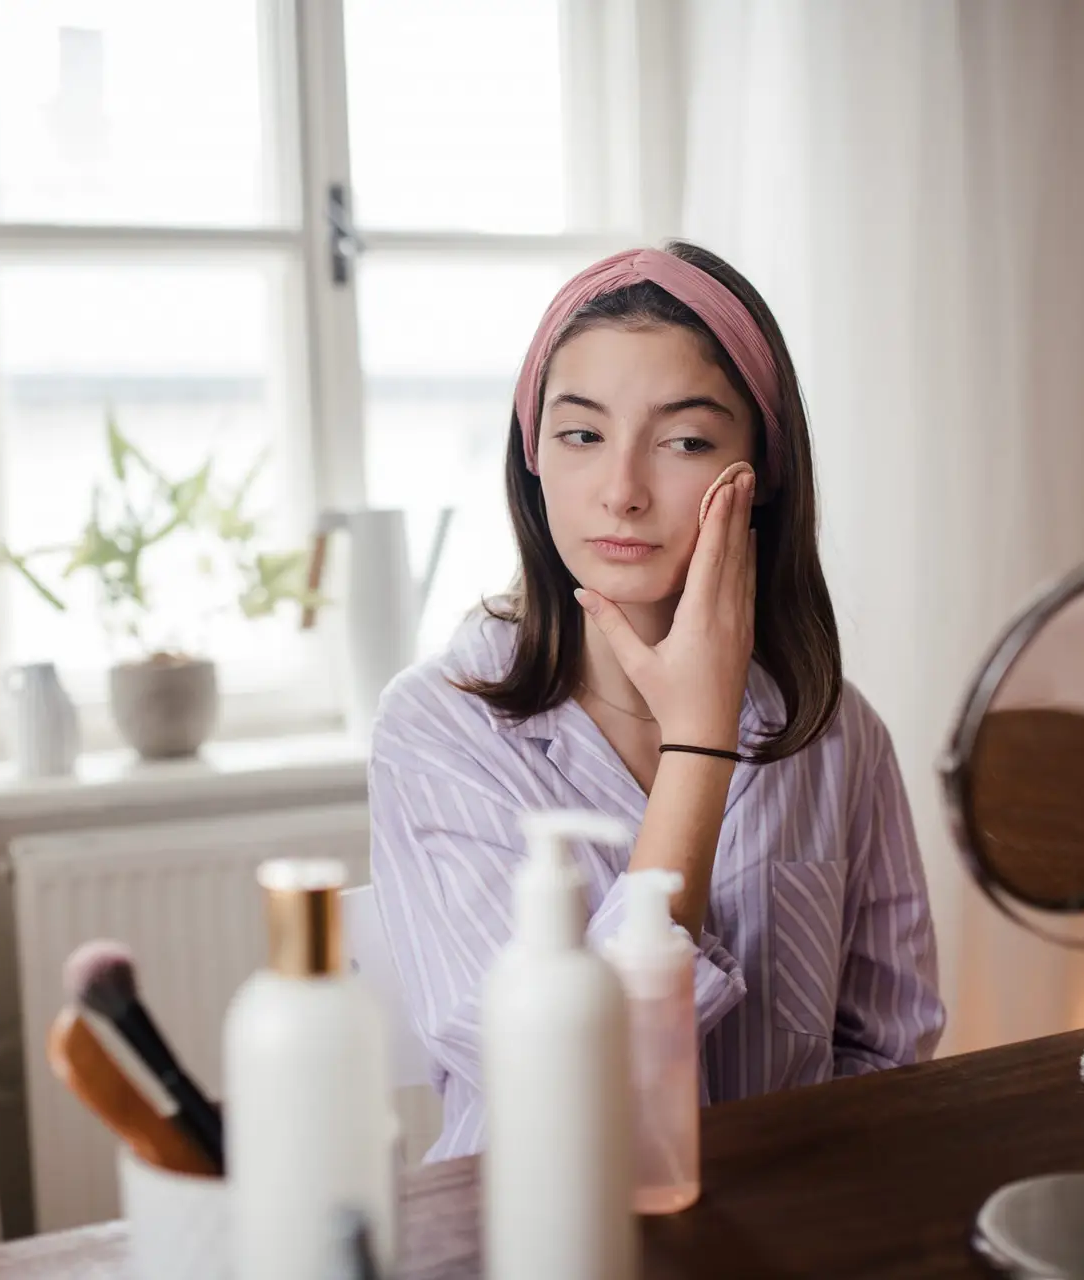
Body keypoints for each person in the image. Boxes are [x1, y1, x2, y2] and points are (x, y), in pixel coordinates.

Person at [369, 241, 945, 1162]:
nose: (623, 491)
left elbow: (887, 1043)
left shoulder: (838, 731)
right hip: (537, 1226)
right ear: (532, 457)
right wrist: (700, 747)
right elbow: (562, 1079)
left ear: (760, 473)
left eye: (684, 440)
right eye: (582, 434)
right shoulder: (438, 726)